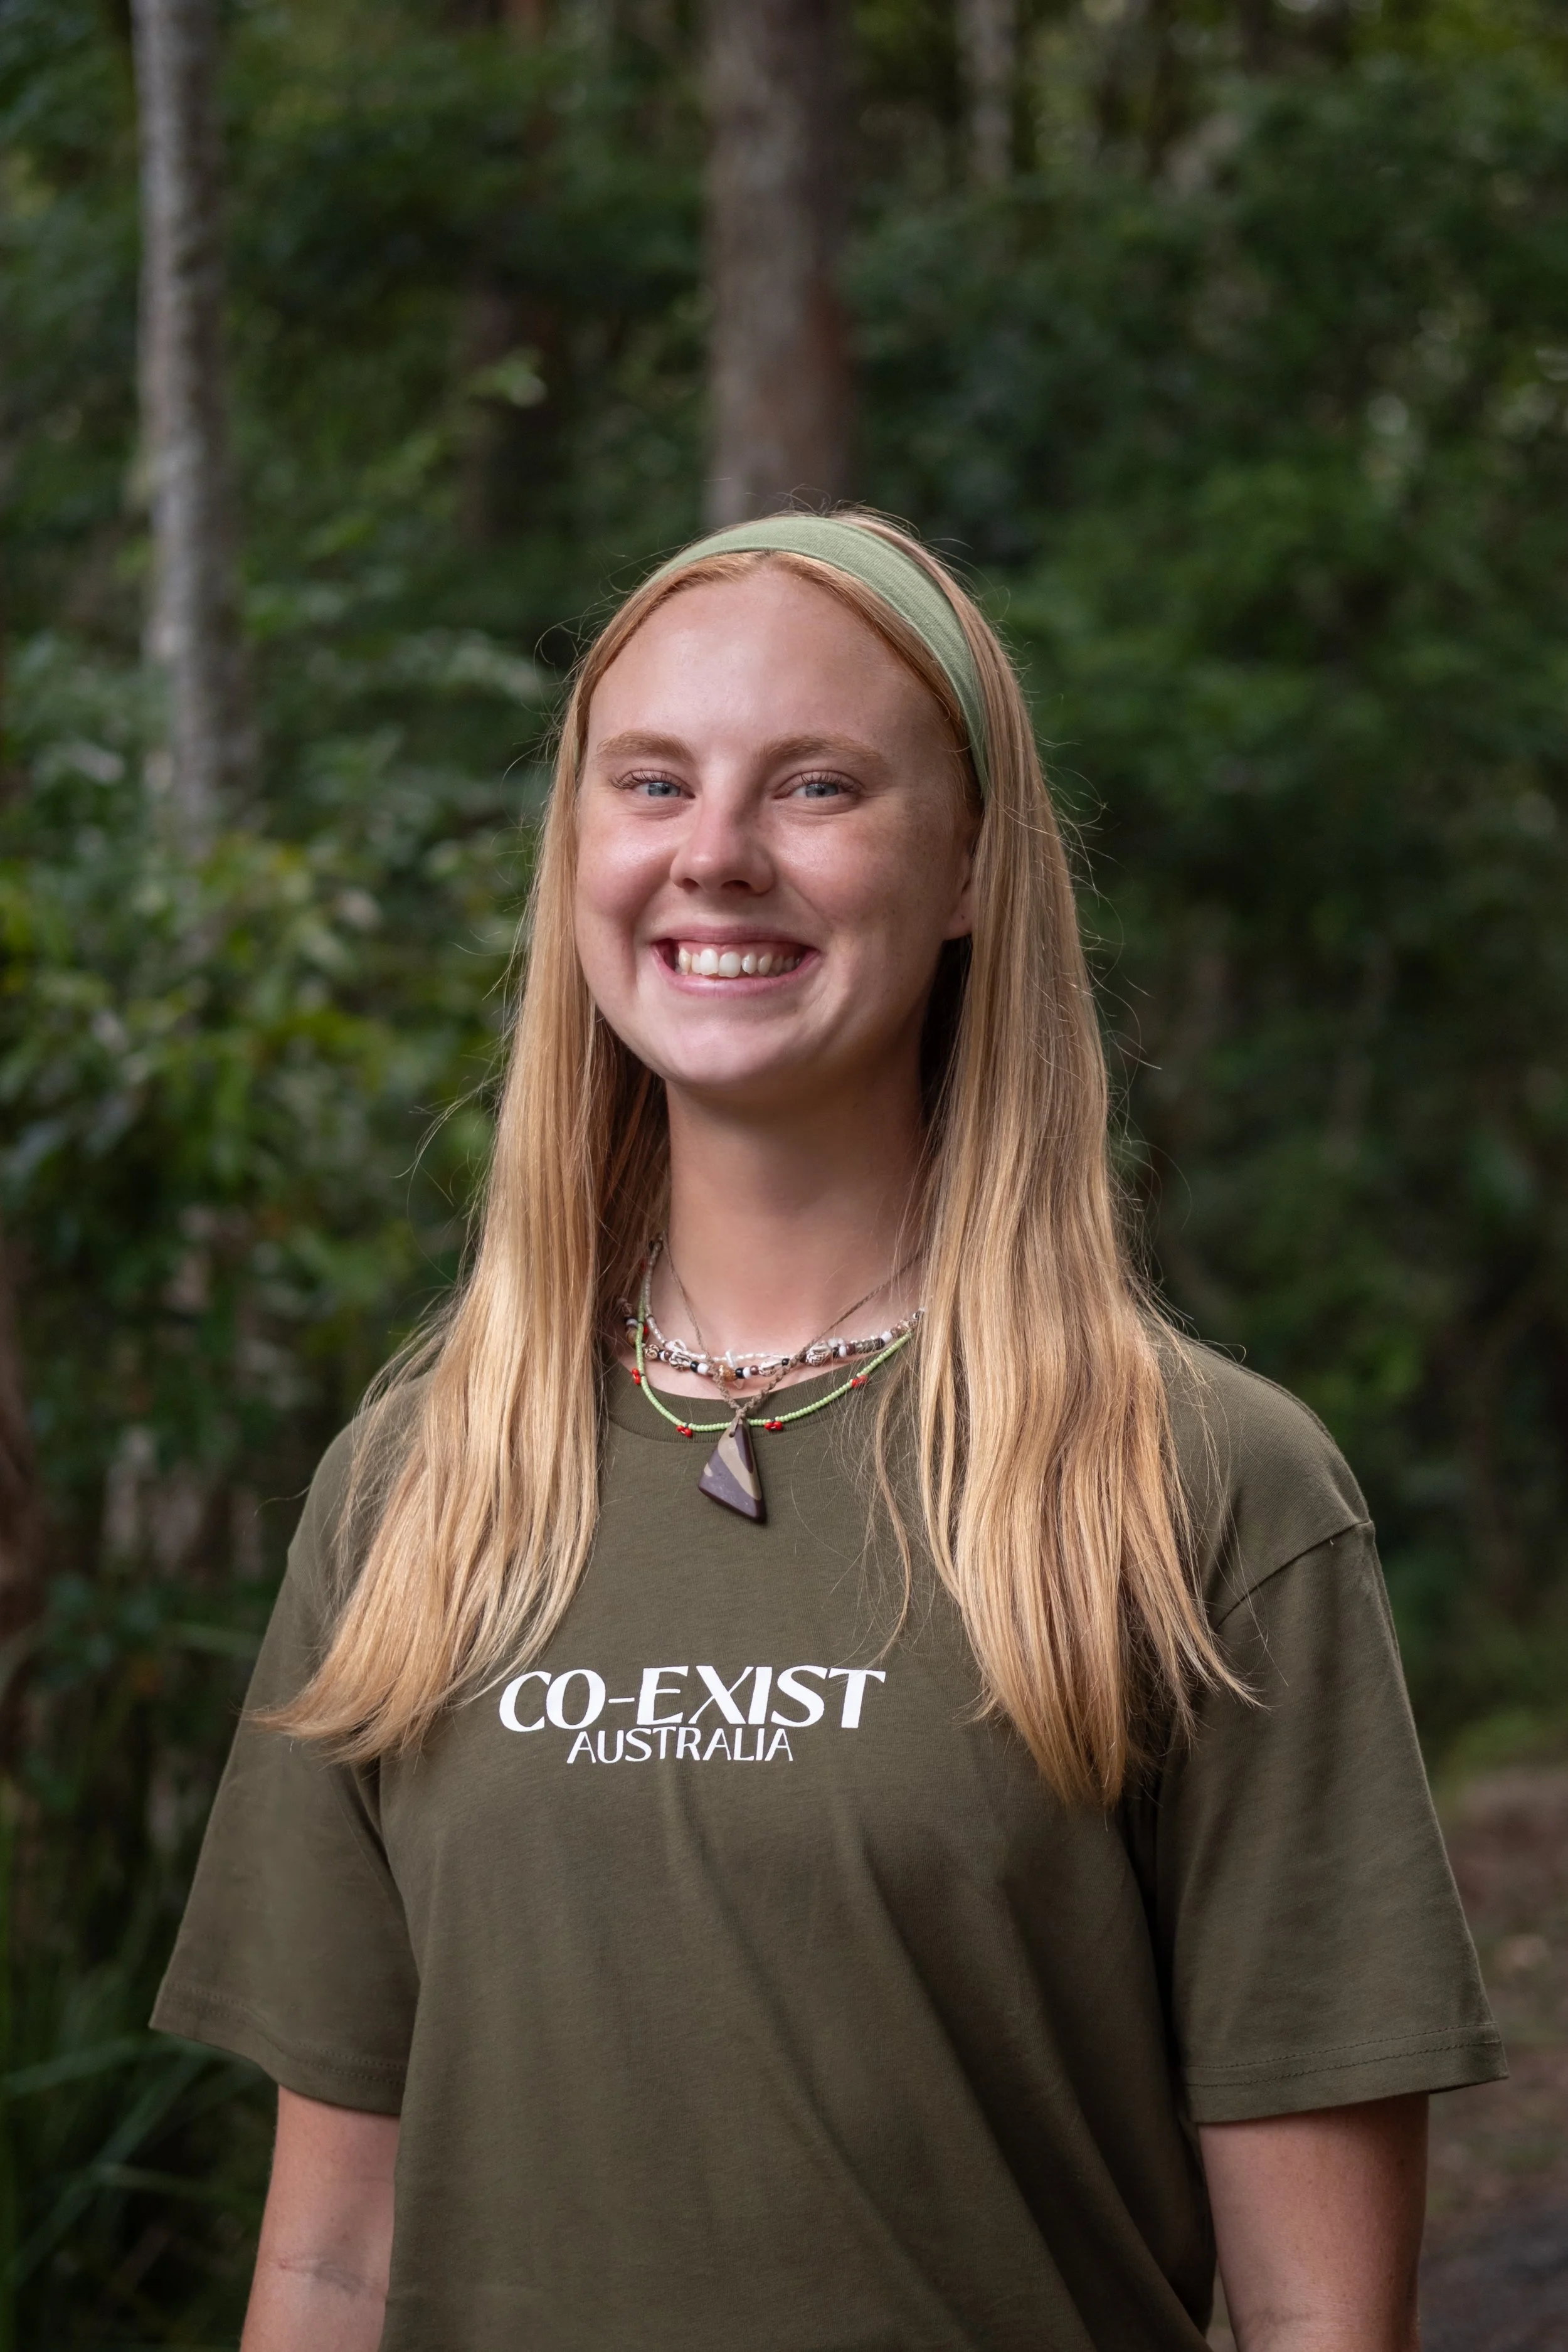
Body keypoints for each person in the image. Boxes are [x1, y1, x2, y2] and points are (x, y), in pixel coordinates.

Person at [154, 512, 1503, 2352]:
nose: (714, 854)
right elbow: (330, 2262)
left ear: (965, 869)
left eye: (813, 785)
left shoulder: (1193, 1491)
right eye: (652, 782)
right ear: (577, 860)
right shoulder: (416, 1489)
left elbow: (1315, 2313)